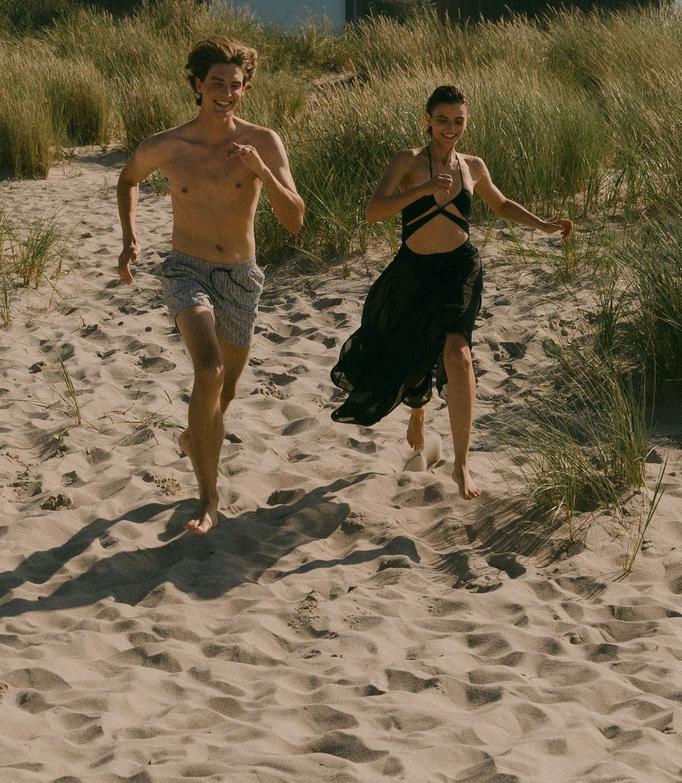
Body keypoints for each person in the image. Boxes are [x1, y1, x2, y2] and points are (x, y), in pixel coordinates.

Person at [329, 84, 572, 499]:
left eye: (458, 121)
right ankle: (419, 411)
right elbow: (373, 211)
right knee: (411, 359)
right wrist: (420, 190)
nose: (450, 128)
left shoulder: (473, 166)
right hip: (414, 271)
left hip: (460, 270)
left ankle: (461, 465)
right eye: (442, 120)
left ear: (467, 121)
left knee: (457, 355)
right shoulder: (407, 161)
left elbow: (501, 204)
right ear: (428, 120)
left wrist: (543, 224)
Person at [116, 36, 306, 534]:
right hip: (186, 270)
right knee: (210, 369)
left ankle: (193, 438)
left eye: (235, 85)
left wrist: (261, 172)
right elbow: (128, 179)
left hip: (242, 275)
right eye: (217, 83)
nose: (226, 93)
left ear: (246, 88)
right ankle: (208, 496)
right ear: (198, 85)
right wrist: (130, 238)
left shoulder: (263, 142)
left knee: (227, 390)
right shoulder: (169, 145)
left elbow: (295, 220)